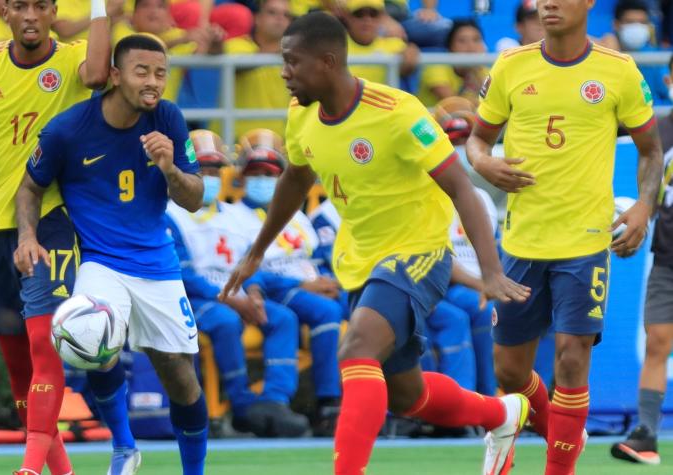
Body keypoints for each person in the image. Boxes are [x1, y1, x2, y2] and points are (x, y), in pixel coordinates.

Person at [221, 13, 532, 475]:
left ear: (327, 62)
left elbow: (463, 189)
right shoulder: (301, 111)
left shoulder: (398, 112)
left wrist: (490, 270)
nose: (283, 72)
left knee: (356, 350)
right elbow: (295, 177)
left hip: (418, 251)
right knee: (406, 396)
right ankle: (501, 414)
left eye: (292, 62)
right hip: (360, 260)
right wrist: (255, 251)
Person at [466, 0, 664, 472]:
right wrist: (483, 161)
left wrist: (642, 206)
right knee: (510, 371)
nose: (548, 3)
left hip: (585, 242)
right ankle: (550, 426)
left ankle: (562, 467)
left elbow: (651, 152)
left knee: (572, 362)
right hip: (521, 242)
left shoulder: (617, 71)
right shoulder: (512, 65)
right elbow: (477, 139)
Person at [0, 0, 111, 473]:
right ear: (3, 12)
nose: (30, 15)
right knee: (19, 370)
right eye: (20, 6)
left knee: (44, 348)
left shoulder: (73, 60)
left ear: (53, 11)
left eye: (40, 5)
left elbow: (97, 76)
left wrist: (98, 7)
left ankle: (28, 468)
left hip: (53, 221)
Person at [15, 34, 207, 475]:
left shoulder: (171, 119)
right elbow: (30, 187)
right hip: (100, 261)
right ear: (116, 76)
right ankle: (124, 446)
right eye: (142, 71)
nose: (153, 82)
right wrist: (28, 236)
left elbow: (194, 198)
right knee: (89, 338)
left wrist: (171, 168)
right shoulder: (69, 128)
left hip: (157, 263)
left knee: (180, 376)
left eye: (161, 73)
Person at [165, 129, 309, 438]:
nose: (208, 176)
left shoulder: (234, 216)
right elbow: (183, 275)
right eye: (200, 169)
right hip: (194, 299)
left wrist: (254, 293)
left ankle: (274, 402)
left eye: (214, 169)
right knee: (225, 321)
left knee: (282, 318)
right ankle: (241, 403)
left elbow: (250, 263)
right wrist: (232, 299)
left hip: (236, 295)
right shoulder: (171, 215)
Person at [228, 128, 345, 435]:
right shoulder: (234, 217)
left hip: (313, 284)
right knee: (326, 312)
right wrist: (303, 286)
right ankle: (328, 403)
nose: (263, 179)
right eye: (255, 172)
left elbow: (319, 256)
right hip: (278, 290)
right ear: (242, 175)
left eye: (270, 172)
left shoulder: (296, 215)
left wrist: (329, 281)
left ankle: (383, 401)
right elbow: (247, 271)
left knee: (365, 306)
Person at [610, 149, 673, 465]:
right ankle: (646, 433)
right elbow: (653, 193)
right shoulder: (660, 130)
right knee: (657, 343)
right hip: (667, 261)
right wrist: (638, 227)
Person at [221, 0, 292, 139]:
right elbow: (239, 68)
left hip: (280, 143)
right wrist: (278, 52)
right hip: (236, 142)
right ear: (257, 18)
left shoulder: (294, 54)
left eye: (286, 15)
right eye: (272, 12)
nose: (280, 18)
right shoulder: (236, 45)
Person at [417, 19, 489, 108]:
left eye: (476, 40)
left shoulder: (485, 72)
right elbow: (455, 104)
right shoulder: (436, 67)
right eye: (462, 41)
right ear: (450, 47)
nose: (471, 47)